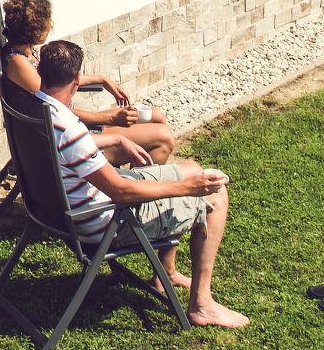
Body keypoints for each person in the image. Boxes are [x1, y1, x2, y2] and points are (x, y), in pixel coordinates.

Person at [38, 39, 248, 330]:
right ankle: (202, 304)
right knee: (215, 193)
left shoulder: (36, 109)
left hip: (62, 211)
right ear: (76, 80)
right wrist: (188, 190)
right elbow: (121, 191)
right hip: (104, 223)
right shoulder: (69, 129)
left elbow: (74, 149)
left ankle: (166, 274)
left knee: (192, 168)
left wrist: (114, 137)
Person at [0, 0, 173, 164]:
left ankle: (134, 176)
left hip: (72, 125)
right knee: (163, 139)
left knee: (156, 115)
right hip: (70, 138)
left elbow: (57, 82)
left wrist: (101, 79)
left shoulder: (26, 51)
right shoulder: (18, 63)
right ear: (34, 27)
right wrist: (112, 119)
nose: (51, 25)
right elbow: (57, 111)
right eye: (47, 21)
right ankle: (135, 185)